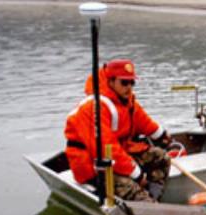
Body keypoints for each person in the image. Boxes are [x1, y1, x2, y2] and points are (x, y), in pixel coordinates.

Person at [64, 59, 171, 202]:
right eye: (124, 82)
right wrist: (137, 175)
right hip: (93, 166)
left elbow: (143, 121)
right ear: (111, 81)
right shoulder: (93, 108)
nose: (129, 87)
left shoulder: (125, 101)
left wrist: (162, 135)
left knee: (161, 157)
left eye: (132, 82)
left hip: (119, 156)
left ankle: (153, 199)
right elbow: (106, 149)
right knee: (130, 187)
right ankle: (148, 209)